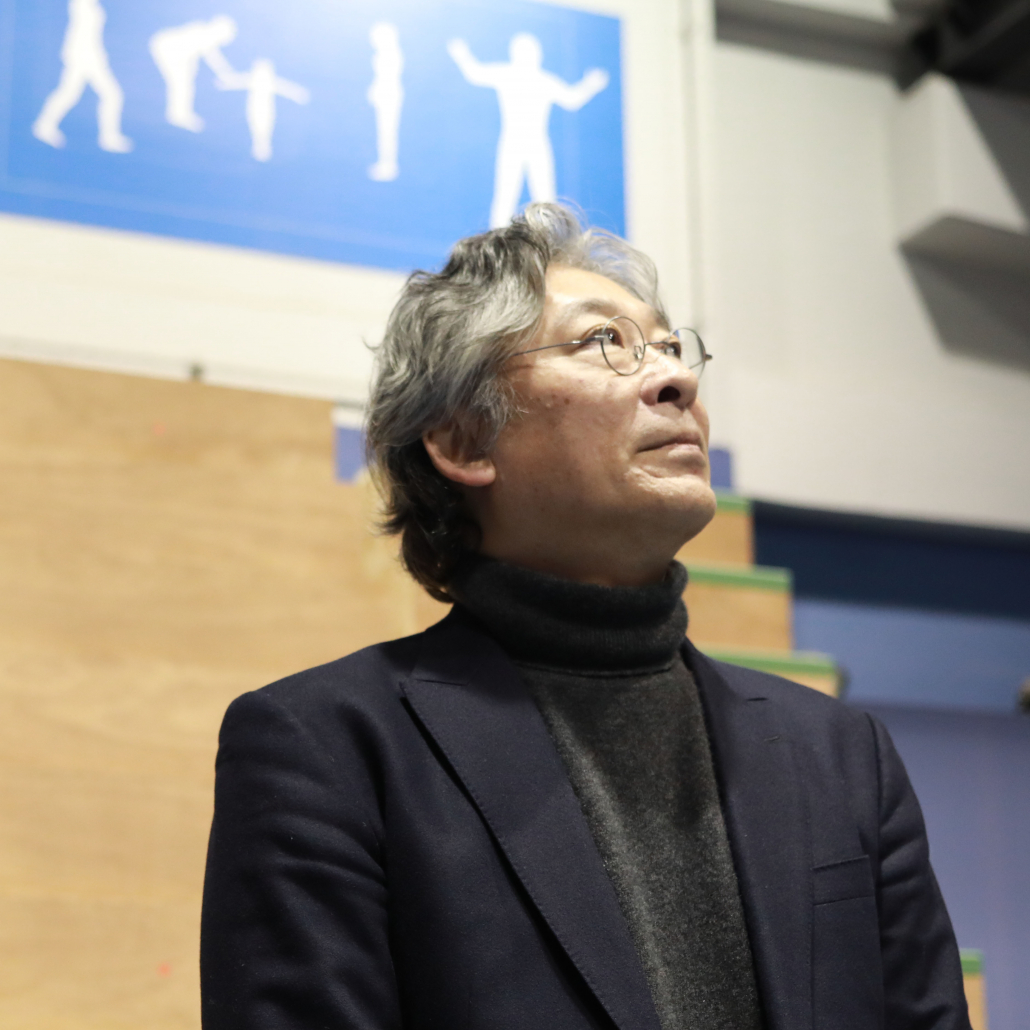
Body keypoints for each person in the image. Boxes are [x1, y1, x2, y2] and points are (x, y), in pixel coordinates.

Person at [201, 203, 971, 1030]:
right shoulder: (327, 746)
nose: (676, 380)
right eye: (605, 342)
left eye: (670, 347)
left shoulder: (840, 754)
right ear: (465, 442)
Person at [448, 35, 608, 228]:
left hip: (537, 144)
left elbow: (571, 99)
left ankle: (551, 240)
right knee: (506, 196)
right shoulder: (508, 74)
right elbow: (476, 74)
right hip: (512, 143)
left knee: (545, 199)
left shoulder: (544, 80)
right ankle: (497, 241)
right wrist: (462, 55)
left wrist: (590, 84)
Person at [32, 0, 132, 153]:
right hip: (84, 57)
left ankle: (44, 125)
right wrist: (87, 56)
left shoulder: (91, 5)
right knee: (111, 95)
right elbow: (81, 32)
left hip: (87, 57)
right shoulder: (81, 4)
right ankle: (108, 138)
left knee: (71, 93)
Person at [149, 15, 239, 133]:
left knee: (184, 84)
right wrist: (226, 73)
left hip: (171, 51)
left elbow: (201, 58)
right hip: (165, 48)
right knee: (181, 84)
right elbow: (213, 58)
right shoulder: (201, 33)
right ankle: (177, 116)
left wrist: (227, 74)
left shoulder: (203, 35)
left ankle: (179, 114)